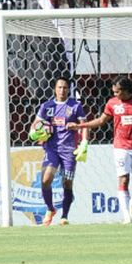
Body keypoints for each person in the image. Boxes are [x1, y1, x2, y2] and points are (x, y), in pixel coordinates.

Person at [67, 77, 132, 224]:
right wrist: (79, 126)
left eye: (117, 92)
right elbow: (101, 121)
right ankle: (126, 216)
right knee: (123, 179)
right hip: (120, 147)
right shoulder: (112, 103)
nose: (114, 94)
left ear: (126, 90)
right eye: (113, 91)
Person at [29, 77, 89, 226]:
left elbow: (84, 125)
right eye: (60, 87)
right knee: (45, 180)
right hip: (52, 149)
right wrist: (33, 133)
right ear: (55, 89)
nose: (62, 90)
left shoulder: (75, 106)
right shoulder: (46, 106)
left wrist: (84, 142)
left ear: (69, 90)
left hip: (69, 150)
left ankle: (65, 216)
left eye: (65, 88)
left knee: (67, 183)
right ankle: (50, 208)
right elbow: (35, 124)